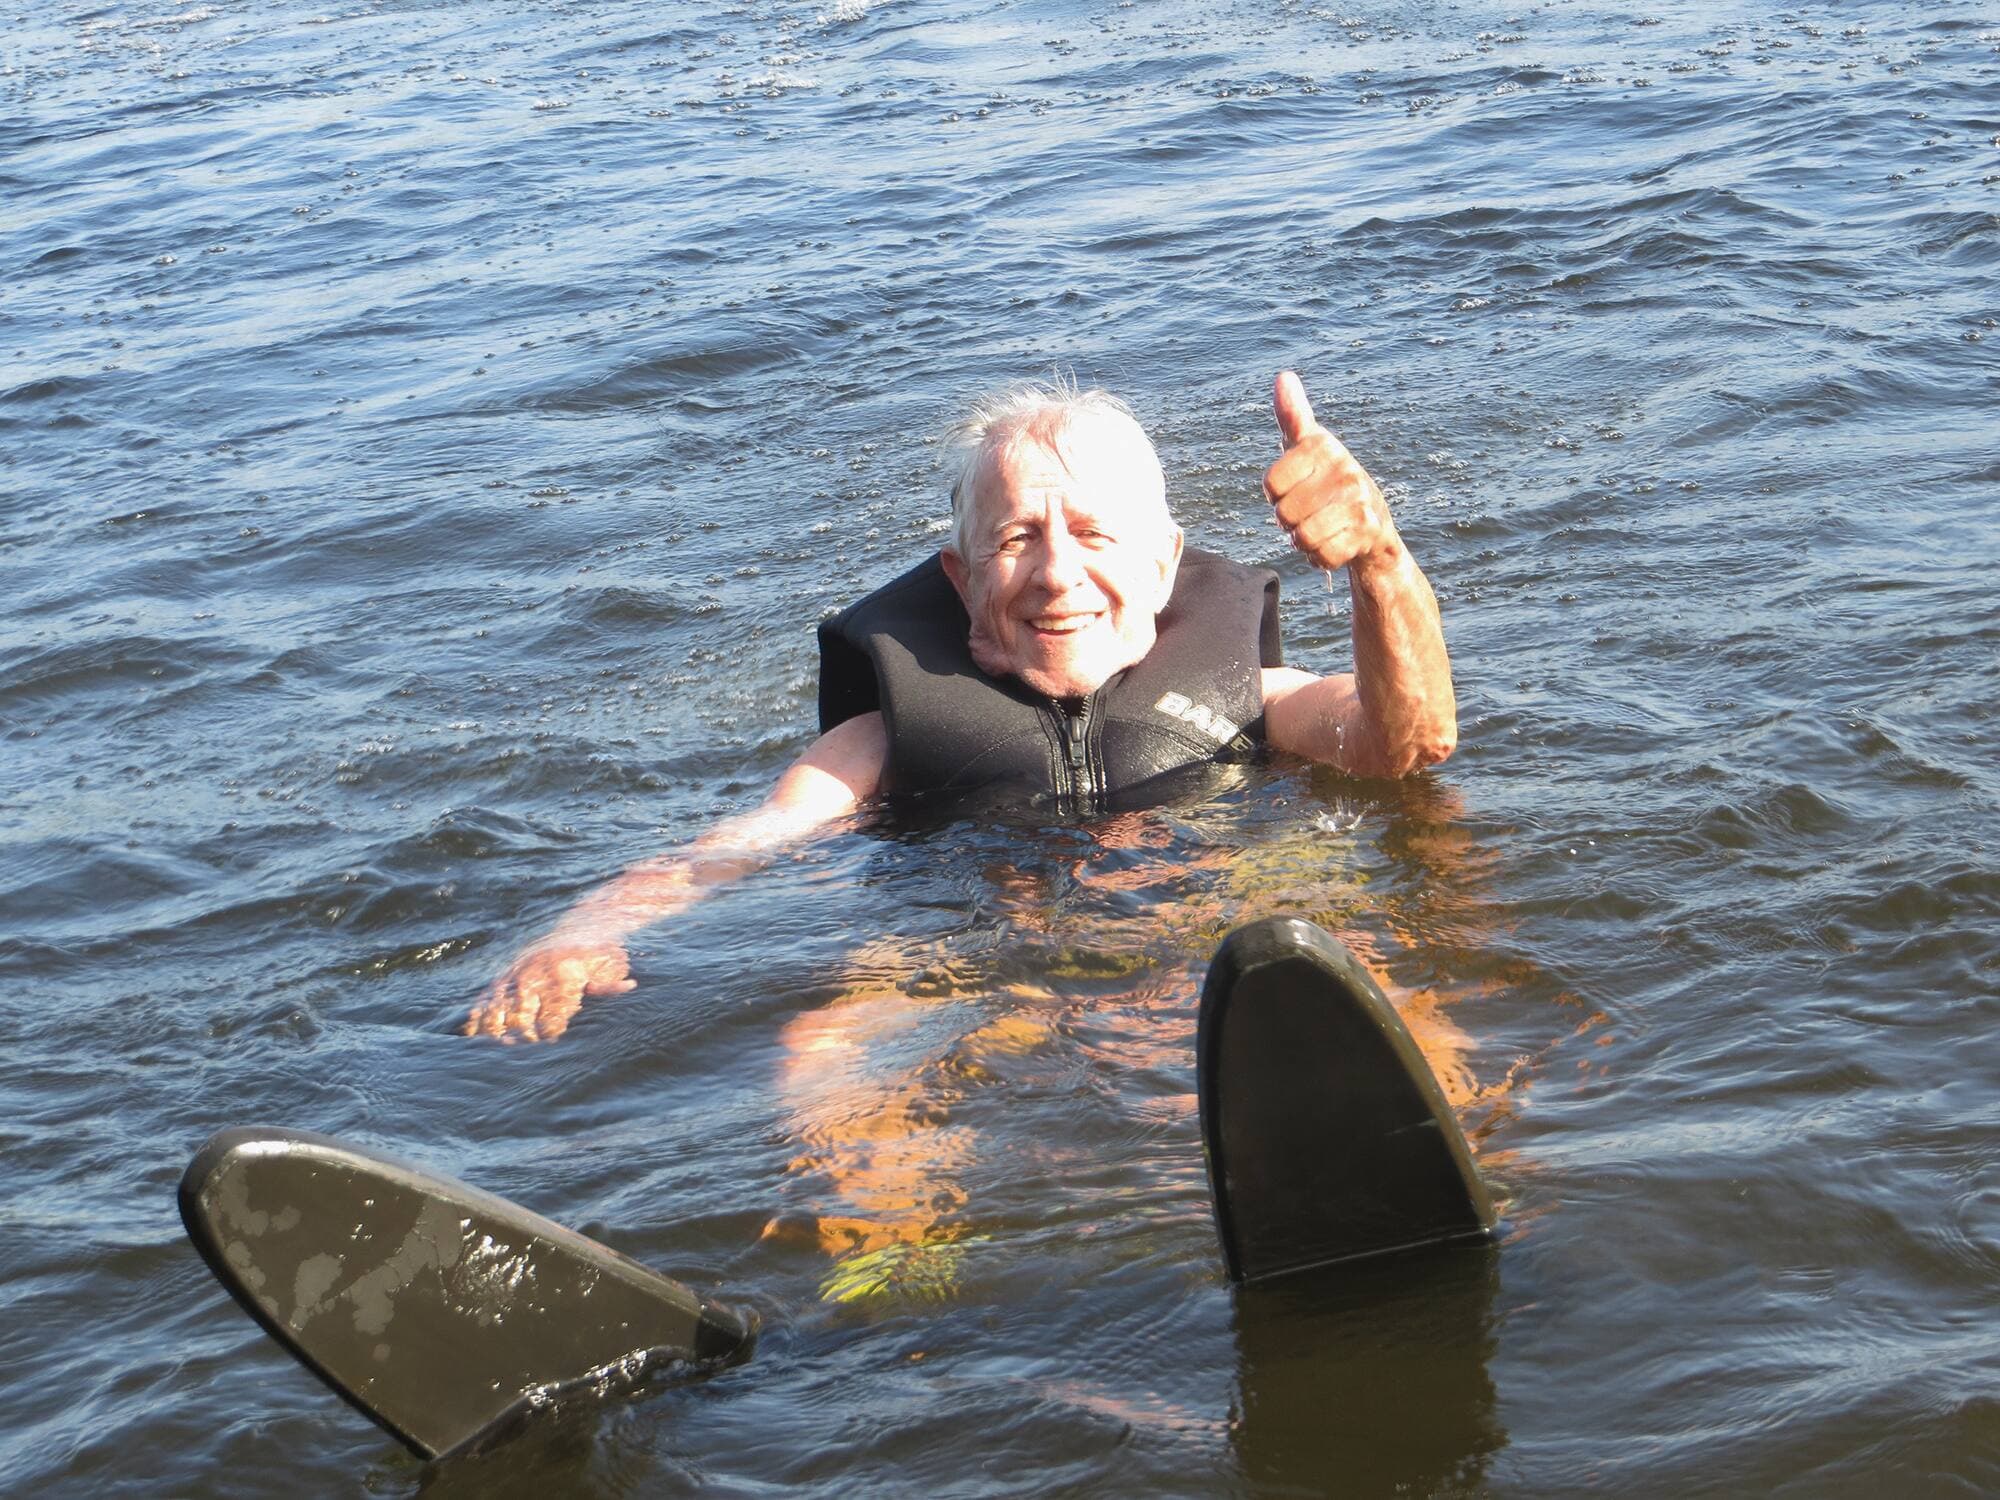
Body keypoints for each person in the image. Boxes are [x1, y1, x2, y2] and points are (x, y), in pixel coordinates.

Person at [465, 370, 1456, 1042]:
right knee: (823, 1038)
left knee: (1356, 969)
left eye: (1092, 535)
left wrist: (1378, 561)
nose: (1056, 575)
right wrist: (579, 932)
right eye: (1018, 538)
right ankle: (888, 1298)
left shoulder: (1255, 698)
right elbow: (730, 848)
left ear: (1162, 564)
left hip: (1205, 932)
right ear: (961, 576)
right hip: (977, 970)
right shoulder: (881, 740)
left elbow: (1406, 741)